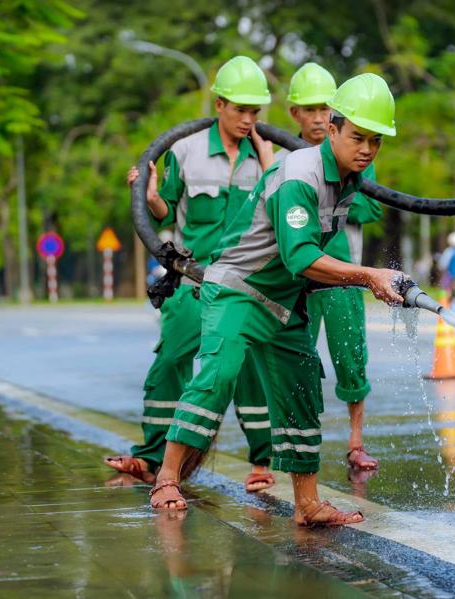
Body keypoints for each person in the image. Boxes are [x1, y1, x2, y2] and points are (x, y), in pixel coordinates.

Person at [149, 74, 405, 528]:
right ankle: (167, 477)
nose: (367, 149)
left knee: (302, 382)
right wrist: (369, 275)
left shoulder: (348, 180)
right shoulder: (299, 176)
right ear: (333, 131)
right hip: (239, 292)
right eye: (358, 137)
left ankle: (307, 504)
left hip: (283, 300)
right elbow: (301, 255)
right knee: (220, 373)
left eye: (375, 141)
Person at [107, 56, 277, 493]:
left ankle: (262, 462)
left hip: (243, 282)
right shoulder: (185, 150)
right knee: (169, 362)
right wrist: (147, 196)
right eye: (240, 109)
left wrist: (270, 161)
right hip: (191, 279)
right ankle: (149, 458)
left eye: (255, 112)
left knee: (250, 369)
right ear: (218, 104)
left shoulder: (267, 159)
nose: (247, 119)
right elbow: (164, 208)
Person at [281, 63, 384, 470]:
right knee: (295, 360)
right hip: (299, 277)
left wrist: (329, 196)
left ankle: (356, 442)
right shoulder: (287, 156)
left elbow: (374, 204)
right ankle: (291, 450)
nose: (320, 117)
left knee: (351, 356)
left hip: (344, 274)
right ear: (296, 115)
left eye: (326, 108)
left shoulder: (358, 154)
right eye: (311, 109)